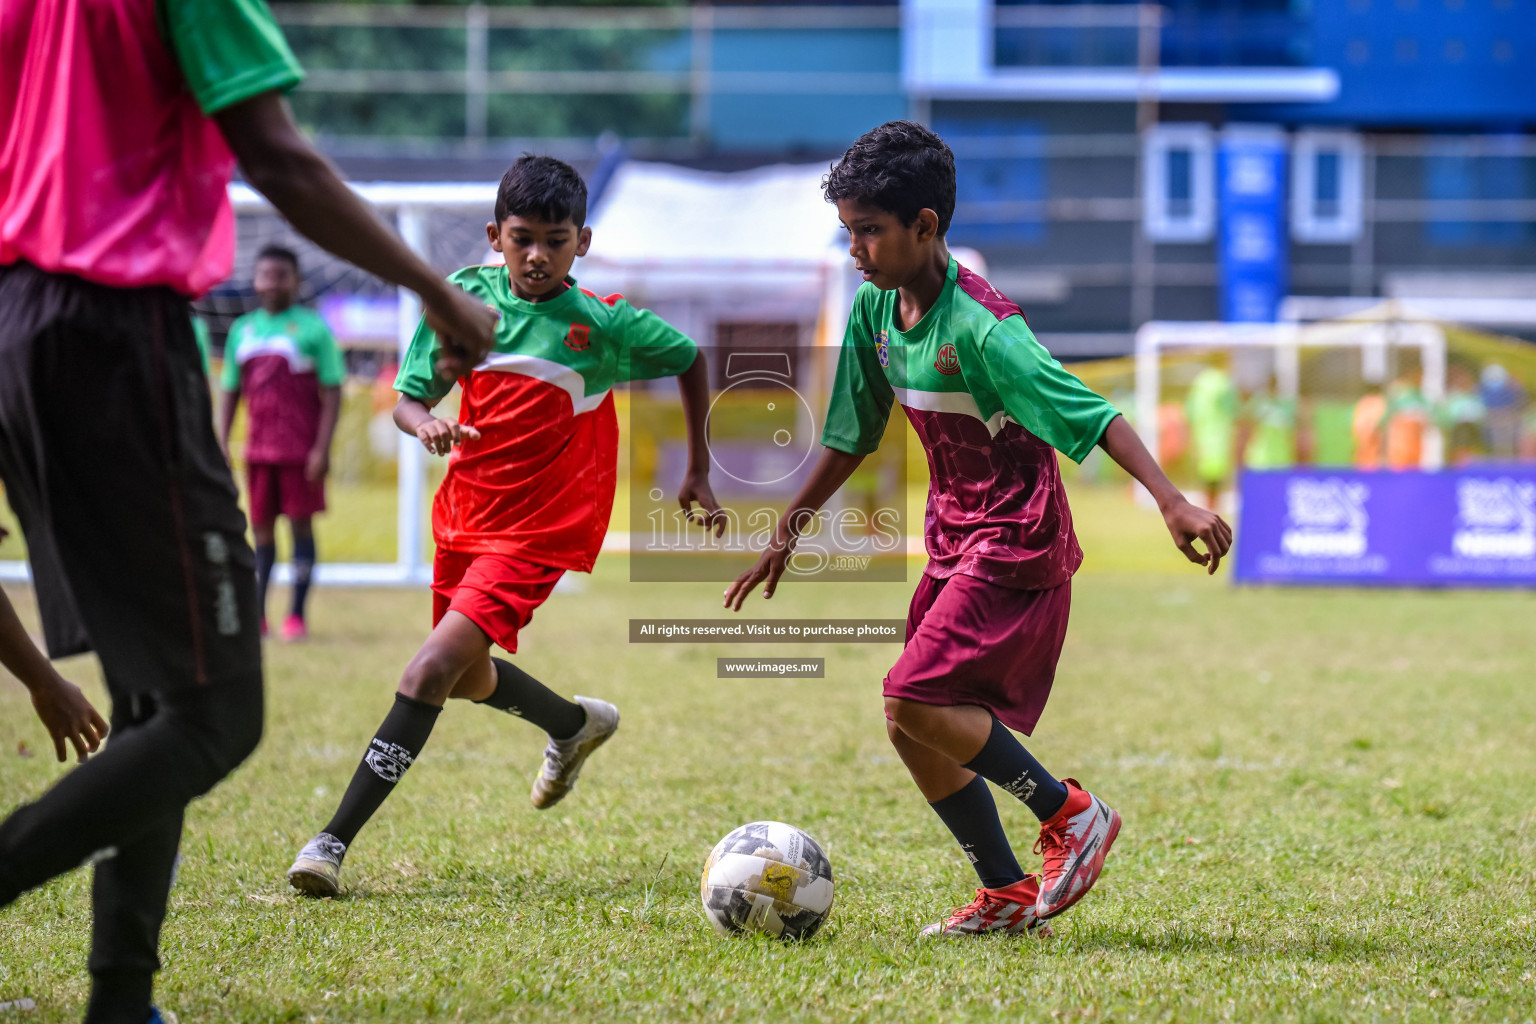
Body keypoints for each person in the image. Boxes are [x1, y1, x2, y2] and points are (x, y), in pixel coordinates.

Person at [0, 2, 498, 1021]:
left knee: (153, 694)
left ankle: (121, 999)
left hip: (18, 329)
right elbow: (279, 159)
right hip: (111, 330)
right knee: (215, 714)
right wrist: (439, 296)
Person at [724, 122, 1231, 938]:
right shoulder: (875, 313)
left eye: (870, 231)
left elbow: (1088, 410)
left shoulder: (985, 330)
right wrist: (788, 529)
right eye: (848, 230)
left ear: (925, 226)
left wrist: (1171, 500)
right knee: (906, 721)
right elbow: (852, 432)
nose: (855, 248)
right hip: (954, 542)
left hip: (1016, 541)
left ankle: (1072, 814)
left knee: (912, 695)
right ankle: (1007, 891)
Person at [285, 156, 722, 898]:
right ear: (495, 235)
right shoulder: (462, 301)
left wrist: (698, 470)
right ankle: (573, 724)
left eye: (556, 240)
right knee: (465, 679)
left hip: (540, 532)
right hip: (464, 519)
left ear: (582, 242)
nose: (537, 255)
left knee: (426, 671)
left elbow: (688, 359)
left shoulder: (602, 326)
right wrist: (427, 425)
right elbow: (408, 398)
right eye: (522, 238)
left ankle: (329, 842)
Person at [218, 245, 345, 641]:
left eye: (281, 276)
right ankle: (257, 615)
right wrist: (221, 441)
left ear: (296, 282)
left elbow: (333, 391)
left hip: (299, 454)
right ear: (255, 281)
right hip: (257, 453)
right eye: (265, 276)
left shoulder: (313, 329)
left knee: (301, 529)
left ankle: (296, 616)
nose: (272, 284)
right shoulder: (243, 330)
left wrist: (321, 448)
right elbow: (229, 391)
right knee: (261, 533)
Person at [1185, 365, 1238, 509]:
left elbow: (1190, 409)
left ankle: (1210, 504)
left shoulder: (1201, 381)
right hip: (1217, 434)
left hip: (1203, 433)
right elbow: (1233, 409)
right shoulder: (1224, 382)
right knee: (1213, 473)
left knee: (1209, 473)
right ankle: (1211, 504)